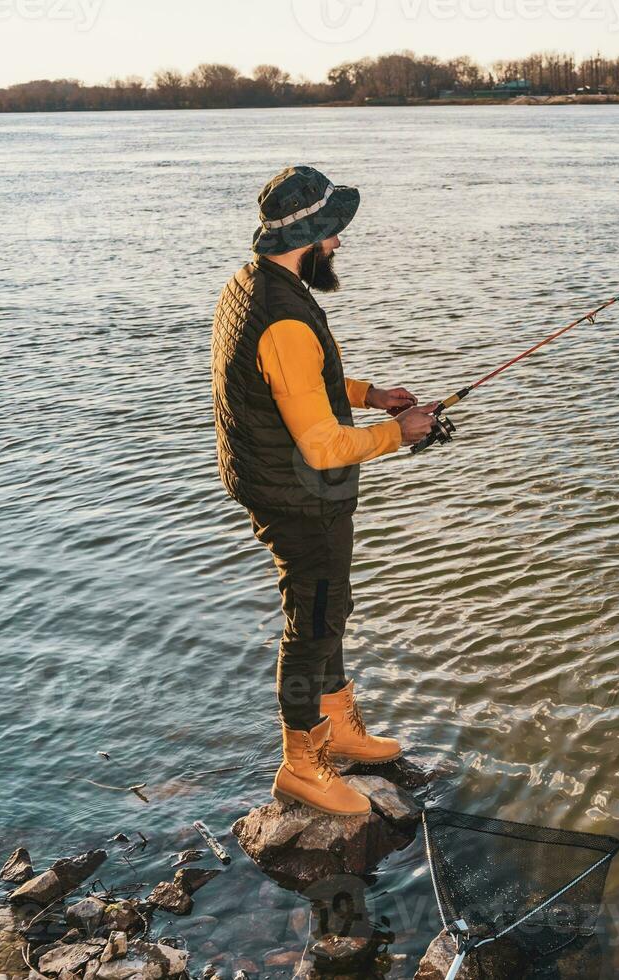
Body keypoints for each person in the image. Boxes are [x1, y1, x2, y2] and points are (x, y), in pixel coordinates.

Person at [210, 166, 440, 815]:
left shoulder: (254, 286)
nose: (338, 245)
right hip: (297, 493)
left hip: (282, 482)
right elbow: (321, 444)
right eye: (333, 233)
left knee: (327, 606)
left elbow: (293, 388)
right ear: (309, 237)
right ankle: (302, 765)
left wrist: (369, 396)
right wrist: (399, 432)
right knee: (309, 624)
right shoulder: (282, 316)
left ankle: (338, 729)